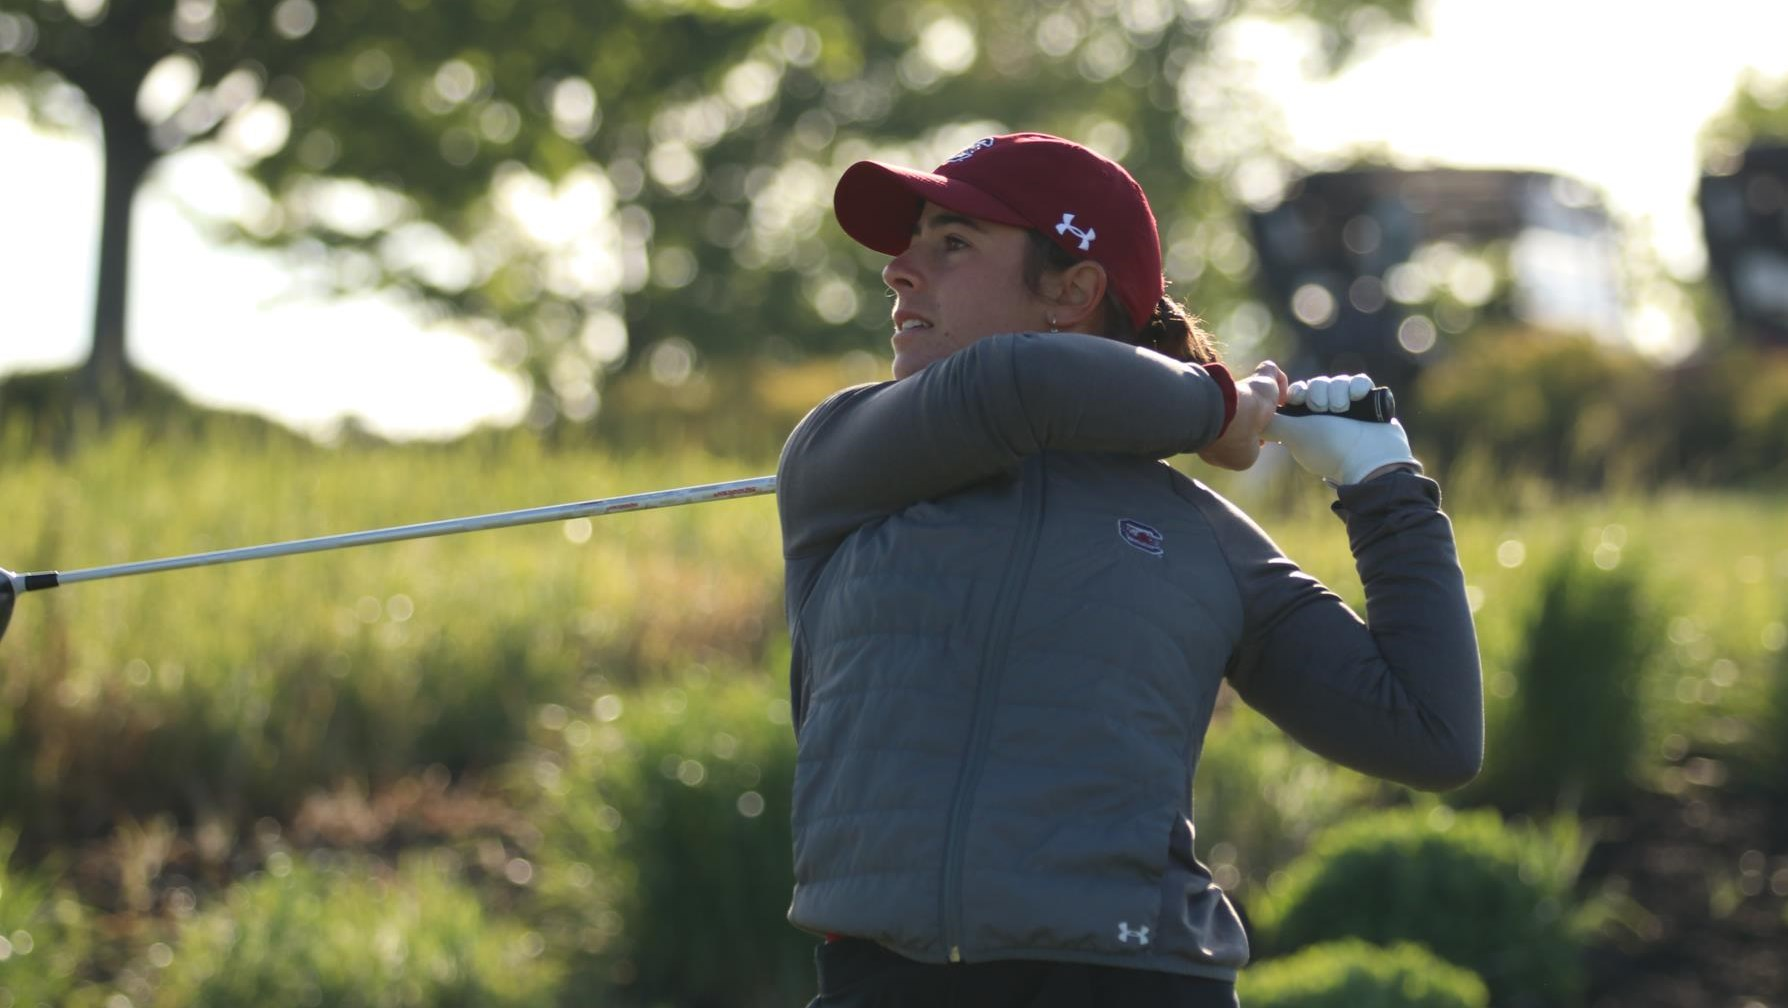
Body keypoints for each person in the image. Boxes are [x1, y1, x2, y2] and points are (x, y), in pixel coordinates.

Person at [775, 133, 1483, 1008]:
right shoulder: (845, 456)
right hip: (885, 985)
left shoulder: (1201, 535)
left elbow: (1431, 732)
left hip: (1142, 979)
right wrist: (1225, 406)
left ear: (1071, 292)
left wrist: (1384, 486)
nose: (898, 270)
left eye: (951, 243)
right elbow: (1014, 385)